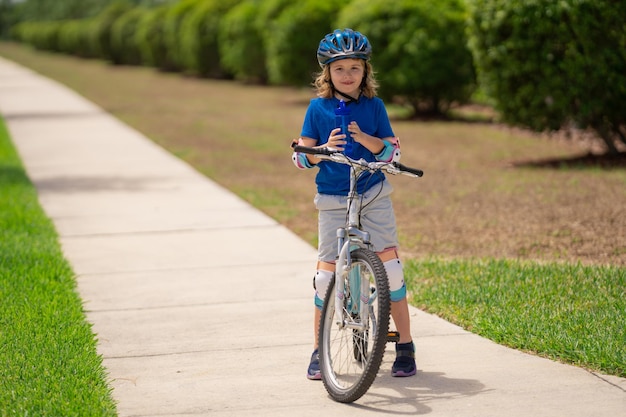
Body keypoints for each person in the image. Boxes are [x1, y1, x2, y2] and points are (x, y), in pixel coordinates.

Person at [291, 28, 416, 380]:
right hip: (332, 198)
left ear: (365, 72)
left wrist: (368, 140)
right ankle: (320, 349)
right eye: (339, 68)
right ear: (327, 73)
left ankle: (405, 345)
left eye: (354, 68)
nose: (347, 75)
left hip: (373, 193)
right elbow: (300, 157)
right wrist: (321, 151)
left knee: (391, 271)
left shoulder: (374, 107)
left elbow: (393, 152)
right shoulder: (317, 109)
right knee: (323, 277)